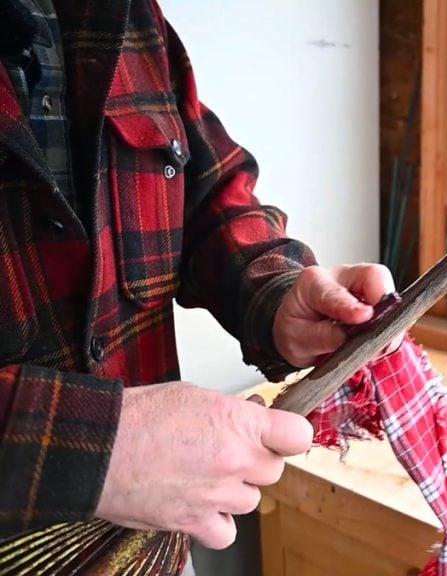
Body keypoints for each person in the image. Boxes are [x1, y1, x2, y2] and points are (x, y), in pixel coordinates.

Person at [0, 0, 401, 558]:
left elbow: (204, 193)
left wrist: (276, 291)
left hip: (154, 551)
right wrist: (95, 448)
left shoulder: (129, 17)